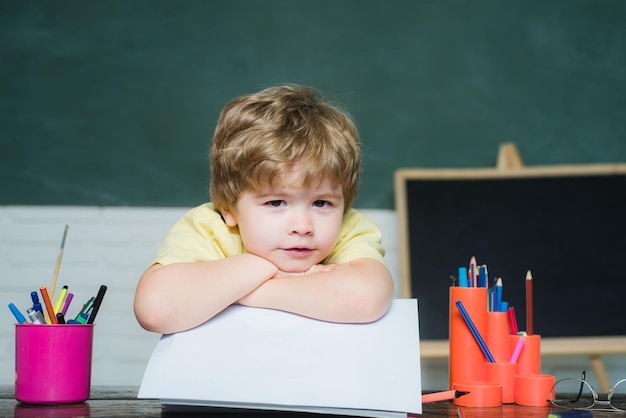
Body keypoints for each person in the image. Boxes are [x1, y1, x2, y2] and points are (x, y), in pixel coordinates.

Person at [134, 85, 394, 334]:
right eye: (276, 203)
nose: (302, 227)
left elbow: (365, 299)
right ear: (229, 209)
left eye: (321, 203)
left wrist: (243, 291)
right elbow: (156, 310)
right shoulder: (208, 226)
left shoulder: (350, 227)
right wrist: (260, 266)